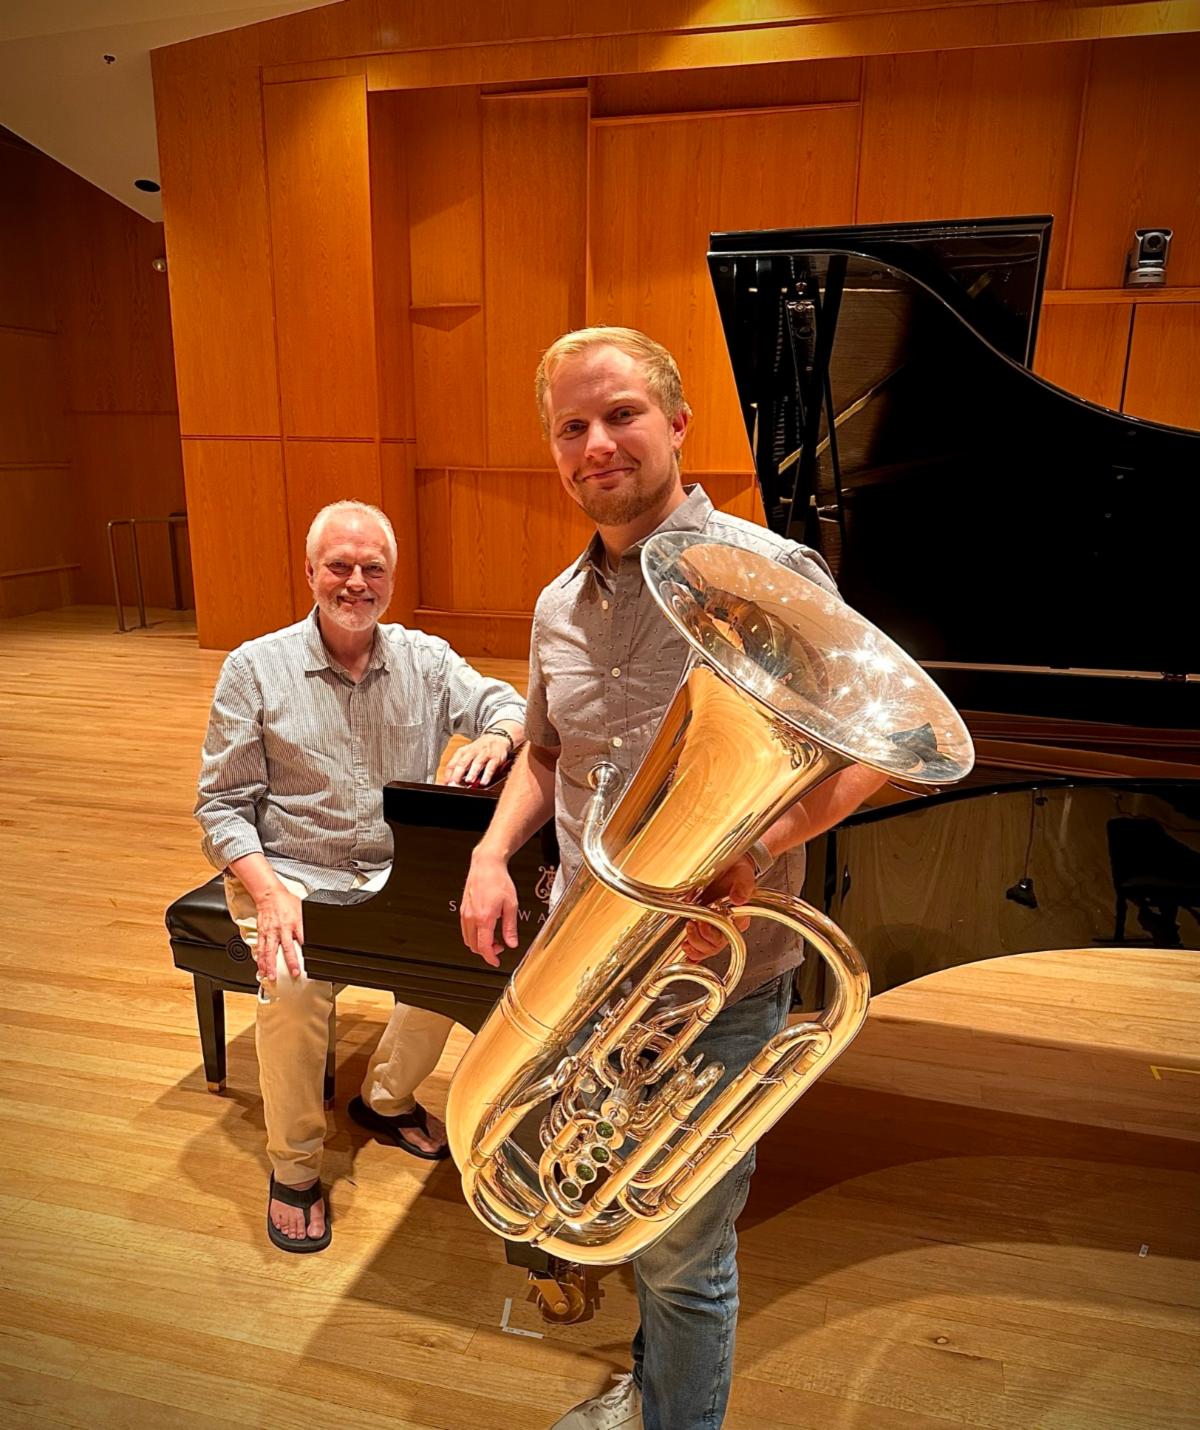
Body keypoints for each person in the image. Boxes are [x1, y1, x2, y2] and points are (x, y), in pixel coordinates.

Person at [458, 329, 887, 1428]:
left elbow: (877, 746)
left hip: (718, 977)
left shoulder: (768, 572)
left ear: (679, 423)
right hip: (590, 966)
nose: (596, 443)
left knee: (688, 1254)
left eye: (621, 415)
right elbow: (547, 754)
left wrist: (763, 841)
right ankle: (648, 1390)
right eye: (571, 426)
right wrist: (490, 850)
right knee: (621, 1202)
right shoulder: (558, 604)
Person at [196, 499, 525, 1253]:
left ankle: (386, 1097)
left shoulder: (424, 658)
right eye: (339, 566)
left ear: (391, 577)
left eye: (372, 568)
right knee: (291, 978)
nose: (355, 582)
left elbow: (507, 703)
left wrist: (501, 736)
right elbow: (219, 807)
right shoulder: (254, 668)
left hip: (391, 870)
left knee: (468, 945)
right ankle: (295, 1165)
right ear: (310, 572)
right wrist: (269, 891)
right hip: (290, 870)